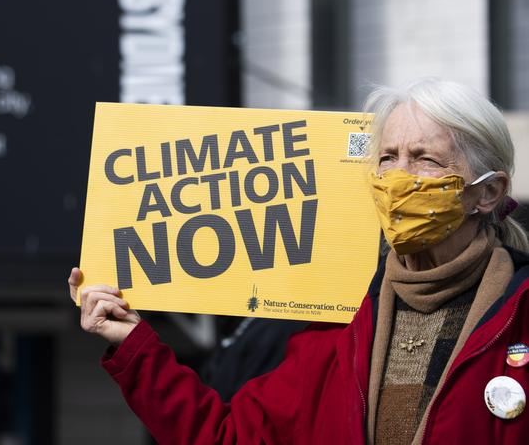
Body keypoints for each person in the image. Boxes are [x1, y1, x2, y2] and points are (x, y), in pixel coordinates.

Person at [68, 78, 529, 444]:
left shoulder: (520, 317)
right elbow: (227, 437)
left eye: (424, 158)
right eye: (387, 158)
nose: (397, 177)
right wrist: (134, 343)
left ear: (487, 192)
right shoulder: (337, 329)